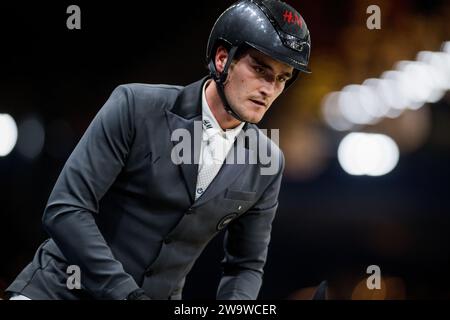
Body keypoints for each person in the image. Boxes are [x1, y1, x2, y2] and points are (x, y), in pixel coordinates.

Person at [6, 0, 311, 300]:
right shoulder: (135, 106)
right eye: (260, 69)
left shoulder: (267, 161)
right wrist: (125, 294)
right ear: (222, 59)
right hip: (58, 291)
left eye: (282, 79)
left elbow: (245, 266)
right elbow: (65, 210)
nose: (269, 89)